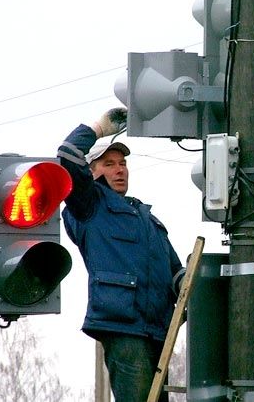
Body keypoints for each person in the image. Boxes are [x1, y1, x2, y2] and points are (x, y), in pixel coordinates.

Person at [57, 107, 185, 402]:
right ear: (91, 171)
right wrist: (99, 129)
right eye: (109, 163)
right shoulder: (90, 205)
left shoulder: (146, 218)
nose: (119, 169)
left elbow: (176, 272)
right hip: (124, 326)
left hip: (157, 329)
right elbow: (67, 156)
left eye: (123, 163)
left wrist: (191, 284)